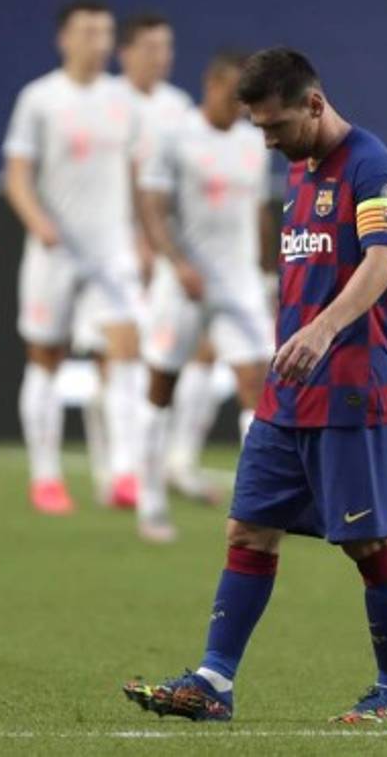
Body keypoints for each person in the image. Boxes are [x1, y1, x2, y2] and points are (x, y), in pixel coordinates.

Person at [123, 47, 387, 724]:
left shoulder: (370, 166)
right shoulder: (297, 168)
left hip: (350, 388)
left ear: (314, 104)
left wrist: (322, 330)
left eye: (275, 125)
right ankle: (213, 681)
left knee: (367, 543)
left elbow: (380, 263)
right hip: (288, 395)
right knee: (249, 528)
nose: (267, 139)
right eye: (258, 128)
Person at [3, 0, 145, 514]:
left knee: (124, 352)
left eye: (105, 32)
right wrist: (36, 220)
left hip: (112, 251)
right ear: (65, 38)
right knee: (47, 358)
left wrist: (144, 238)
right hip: (57, 252)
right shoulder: (40, 99)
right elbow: (18, 172)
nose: (99, 43)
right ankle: (45, 477)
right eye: (88, 32)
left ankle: (124, 472)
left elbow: (135, 175)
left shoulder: (123, 101)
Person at [133, 51, 272, 543]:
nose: (240, 104)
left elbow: (256, 210)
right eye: (234, 92)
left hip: (239, 283)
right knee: (161, 385)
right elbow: (151, 206)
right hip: (185, 283)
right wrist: (176, 261)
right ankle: (149, 499)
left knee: (256, 384)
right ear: (212, 84)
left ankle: (258, 506)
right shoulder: (175, 136)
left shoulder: (254, 142)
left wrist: (269, 270)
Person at [72, 11, 195, 506]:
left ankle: (147, 463)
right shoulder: (106, 102)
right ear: (126, 53)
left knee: (155, 357)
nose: (159, 56)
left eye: (165, 47)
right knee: (114, 352)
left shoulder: (180, 109)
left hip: (163, 248)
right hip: (108, 246)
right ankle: (117, 469)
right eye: (148, 47)